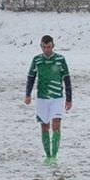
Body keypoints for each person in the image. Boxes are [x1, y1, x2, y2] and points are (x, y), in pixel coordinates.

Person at [24, 35, 72, 165]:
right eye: (44, 47)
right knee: (44, 126)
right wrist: (27, 94)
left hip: (57, 97)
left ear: (53, 46)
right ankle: (48, 154)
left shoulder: (60, 59)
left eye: (49, 47)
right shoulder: (37, 60)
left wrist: (69, 99)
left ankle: (54, 155)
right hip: (42, 98)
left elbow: (67, 79)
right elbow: (31, 77)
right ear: (41, 47)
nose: (47, 50)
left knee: (56, 124)